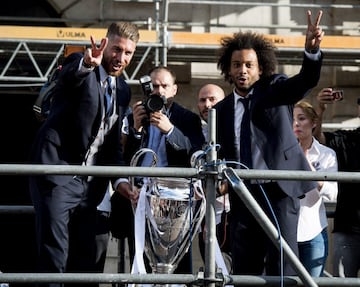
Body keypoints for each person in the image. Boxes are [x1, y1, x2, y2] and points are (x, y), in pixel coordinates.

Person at [28, 22, 139, 286]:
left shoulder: (123, 89)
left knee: (86, 259)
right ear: (105, 44)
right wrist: (88, 64)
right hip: (57, 173)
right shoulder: (81, 63)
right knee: (54, 254)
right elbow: (70, 76)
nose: (120, 58)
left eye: (128, 53)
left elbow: (112, 145)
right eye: (116, 49)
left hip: (92, 186)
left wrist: (121, 182)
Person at [214, 10, 324, 276]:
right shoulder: (221, 109)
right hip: (243, 195)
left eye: (249, 65)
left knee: (283, 266)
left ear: (260, 68)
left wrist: (311, 51)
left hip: (279, 192)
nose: (243, 70)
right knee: (245, 267)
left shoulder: (275, 88)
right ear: (228, 69)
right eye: (237, 64)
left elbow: (306, 81)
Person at [123, 66, 205, 274]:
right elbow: (124, 158)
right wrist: (135, 129)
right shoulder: (136, 114)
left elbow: (195, 153)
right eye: (155, 86)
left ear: (174, 90)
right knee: (140, 259)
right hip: (139, 196)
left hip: (173, 200)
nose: (159, 91)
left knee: (177, 263)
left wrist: (170, 130)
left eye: (165, 86)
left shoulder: (187, 118)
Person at [314, 88, 360, 277]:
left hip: (346, 229)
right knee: (341, 283)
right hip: (348, 229)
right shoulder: (348, 139)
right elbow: (317, 140)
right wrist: (320, 108)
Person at [293, 100, 338, 277]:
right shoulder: (280, 153)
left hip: (313, 230)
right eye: (292, 119)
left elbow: (333, 194)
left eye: (301, 118)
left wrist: (309, 170)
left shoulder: (327, 154)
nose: (296, 124)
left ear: (314, 123)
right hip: (284, 230)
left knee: (313, 282)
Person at [195, 84, 232, 271]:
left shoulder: (233, 132)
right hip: (206, 216)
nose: (207, 105)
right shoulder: (195, 134)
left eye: (212, 99)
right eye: (202, 100)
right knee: (211, 271)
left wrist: (219, 189)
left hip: (233, 215)